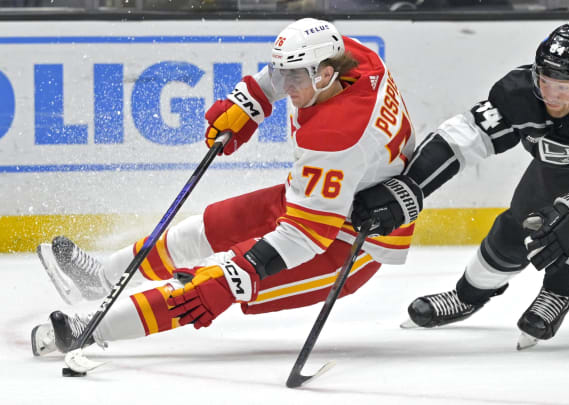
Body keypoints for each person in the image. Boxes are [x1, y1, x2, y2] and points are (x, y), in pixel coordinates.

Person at [30, 17, 422, 356]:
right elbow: (277, 76)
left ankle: (90, 327)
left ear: (324, 74)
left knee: (210, 281)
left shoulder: (335, 136)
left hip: (350, 243)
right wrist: (249, 102)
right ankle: (100, 278)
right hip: (332, 197)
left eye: (295, 78)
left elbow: (306, 237)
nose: (285, 86)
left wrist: (244, 270)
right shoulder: (351, 56)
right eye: (284, 73)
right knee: (206, 227)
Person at [352, 23, 569, 350]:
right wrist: (411, 185)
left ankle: (559, 291)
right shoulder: (517, 91)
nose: (552, 97)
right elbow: (461, 139)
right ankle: (467, 295)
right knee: (520, 220)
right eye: (545, 82)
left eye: (565, 88)